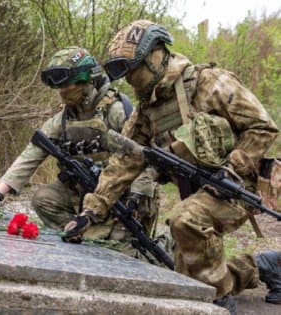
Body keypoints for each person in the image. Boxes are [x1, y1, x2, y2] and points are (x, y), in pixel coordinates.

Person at [62, 20, 281, 313]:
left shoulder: (210, 83)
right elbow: (126, 160)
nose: (128, 79)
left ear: (155, 56)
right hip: (199, 190)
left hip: (239, 186)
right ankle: (265, 266)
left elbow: (263, 128)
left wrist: (231, 168)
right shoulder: (146, 109)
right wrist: (92, 210)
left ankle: (218, 300)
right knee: (186, 276)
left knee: (184, 221)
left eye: (132, 69)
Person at [0, 46, 162, 257]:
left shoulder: (116, 111)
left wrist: (135, 199)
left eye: (68, 84)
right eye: (59, 86)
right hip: (84, 191)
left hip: (122, 194)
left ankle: (99, 234)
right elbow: (32, 154)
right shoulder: (65, 118)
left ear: (87, 81)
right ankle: (80, 231)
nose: (63, 91)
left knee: (124, 250)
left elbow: (143, 159)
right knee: (43, 199)